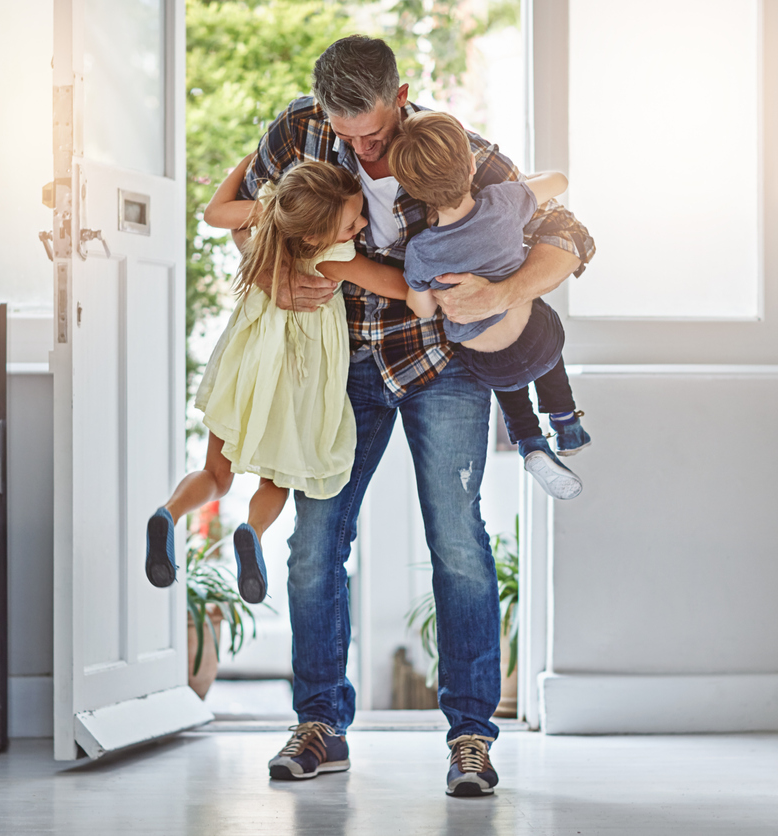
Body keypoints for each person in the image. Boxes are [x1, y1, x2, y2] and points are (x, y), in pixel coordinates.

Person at [229, 35, 594, 794]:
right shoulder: (299, 132)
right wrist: (272, 274)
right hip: (342, 363)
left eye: (375, 133)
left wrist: (504, 292)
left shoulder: (449, 149)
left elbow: (570, 235)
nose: (365, 151)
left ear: (401, 99)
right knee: (315, 539)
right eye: (348, 135)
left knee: (457, 541)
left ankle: (470, 737)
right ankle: (319, 724)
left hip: (443, 364)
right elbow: (250, 219)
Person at [144, 157, 410, 605]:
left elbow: (213, 213)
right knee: (276, 480)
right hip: (294, 381)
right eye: (352, 223)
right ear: (315, 236)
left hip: (244, 367)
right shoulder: (333, 258)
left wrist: (247, 163)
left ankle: (168, 514)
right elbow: (397, 285)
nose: (362, 224)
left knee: (216, 474)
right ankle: (252, 531)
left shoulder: (269, 215)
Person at [389, 111, 592, 500]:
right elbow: (559, 181)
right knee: (539, 321)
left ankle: (530, 441)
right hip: (537, 344)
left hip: (489, 366)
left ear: (413, 191)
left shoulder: (421, 251)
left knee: (499, 371)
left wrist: (426, 287)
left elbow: (423, 311)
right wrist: (524, 184)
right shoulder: (503, 201)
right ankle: (566, 422)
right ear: (470, 167)